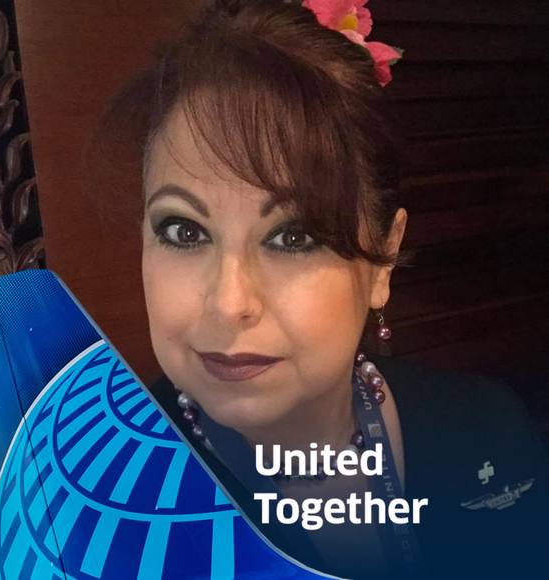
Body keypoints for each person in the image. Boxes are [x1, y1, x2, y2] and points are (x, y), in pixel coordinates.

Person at [137, 0, 549, 577]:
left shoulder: (485, 425)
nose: (229, 304)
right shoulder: (98, 491)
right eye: (185, 231)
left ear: (382, 260)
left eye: (294, 236)